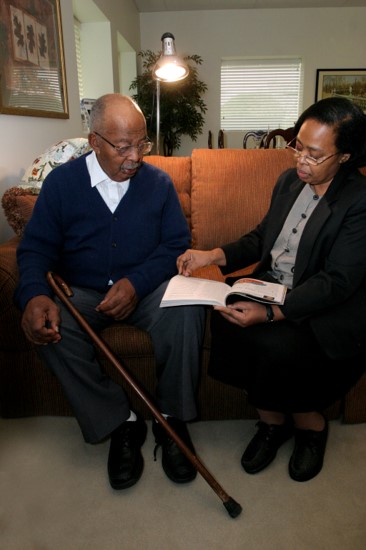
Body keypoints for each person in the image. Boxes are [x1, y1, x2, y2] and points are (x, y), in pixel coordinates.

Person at [15, 94, 205, 490]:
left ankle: (172, 419)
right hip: (83, 292)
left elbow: (175, 244)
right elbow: (36, 249)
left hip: (148, 289)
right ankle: (122, 421)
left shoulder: (158, 183)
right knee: (51, 326)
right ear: (94, 142)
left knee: (187, 306)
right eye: (122, 146)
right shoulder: (62, 184)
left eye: (142, 143)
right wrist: (34, 293)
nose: (135, 156)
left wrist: (136, 283)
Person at [177, 96, 366, 482]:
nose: (301, 160)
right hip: (273, 286)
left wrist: (272, 312)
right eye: (298, 146)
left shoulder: (359, 201)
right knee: (227, 316)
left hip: (325, 301)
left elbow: (338, 280)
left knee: (276, 343)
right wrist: (210, 255)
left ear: (344, 157)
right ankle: (271, 422)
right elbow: (263, 237)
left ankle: (310, 427)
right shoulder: (288, 181)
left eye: (315, 155)